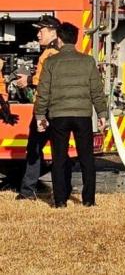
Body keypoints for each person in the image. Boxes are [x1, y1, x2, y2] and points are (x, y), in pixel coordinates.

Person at [34, 22, 108, 208]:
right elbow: (97, 91)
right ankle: (89, 200)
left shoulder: (51, 62)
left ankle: (60, 201)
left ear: (59, 39)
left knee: (59, 159)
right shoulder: (88, 61)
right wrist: (102, 113)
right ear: (74, 40)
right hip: (82, 115)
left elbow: (43, 92)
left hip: (58, 116)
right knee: (86, 158)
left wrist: (40, 116)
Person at [16, 15, 70, 201]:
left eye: (41, 31)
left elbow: (44, 78)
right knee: (60, 151)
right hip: (62, 107)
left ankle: (27, 191)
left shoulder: (50, 53)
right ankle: (64, 191)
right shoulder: (63, 49)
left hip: (46, 108)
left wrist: (27, 80)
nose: (38, 34)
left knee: (35, 150)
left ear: (53, 31)